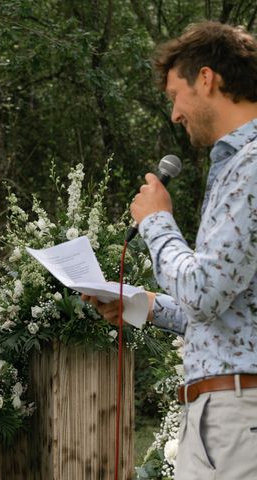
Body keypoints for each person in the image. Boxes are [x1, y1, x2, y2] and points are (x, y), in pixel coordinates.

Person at [84, 21, 257, 479]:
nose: (175, 114)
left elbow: (203, 292)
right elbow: (220, 312)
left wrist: (157, 221)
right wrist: (140, 305)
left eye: (174, 96)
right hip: (219, 411)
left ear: (206, 79)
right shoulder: (235, 167)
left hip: (240, 414)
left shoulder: (253, 165)